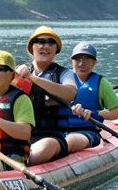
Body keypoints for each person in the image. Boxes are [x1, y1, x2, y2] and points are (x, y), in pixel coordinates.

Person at [28, 42, 118, 165]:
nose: (82, 63)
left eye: (87, 59)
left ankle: (51, 158)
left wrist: (93, 113)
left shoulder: (101, 83)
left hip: (85, 131)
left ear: (95, 62)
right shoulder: (61, 79)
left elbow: (115, 114)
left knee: (70, 141)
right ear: (72, 61)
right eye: (78, 59)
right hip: (56, 131)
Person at [13, 26, 82, 164]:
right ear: (32, 47)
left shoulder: (64, 73)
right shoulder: (17, 73)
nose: (46, 46)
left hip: (52, 137)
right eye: (40, 41)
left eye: (51, 43)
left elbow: (71, 93)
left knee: (47, 146)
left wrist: (33, 79)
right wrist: (16, 77)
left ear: (56, 49)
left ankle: (20, 165)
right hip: (20, 135)